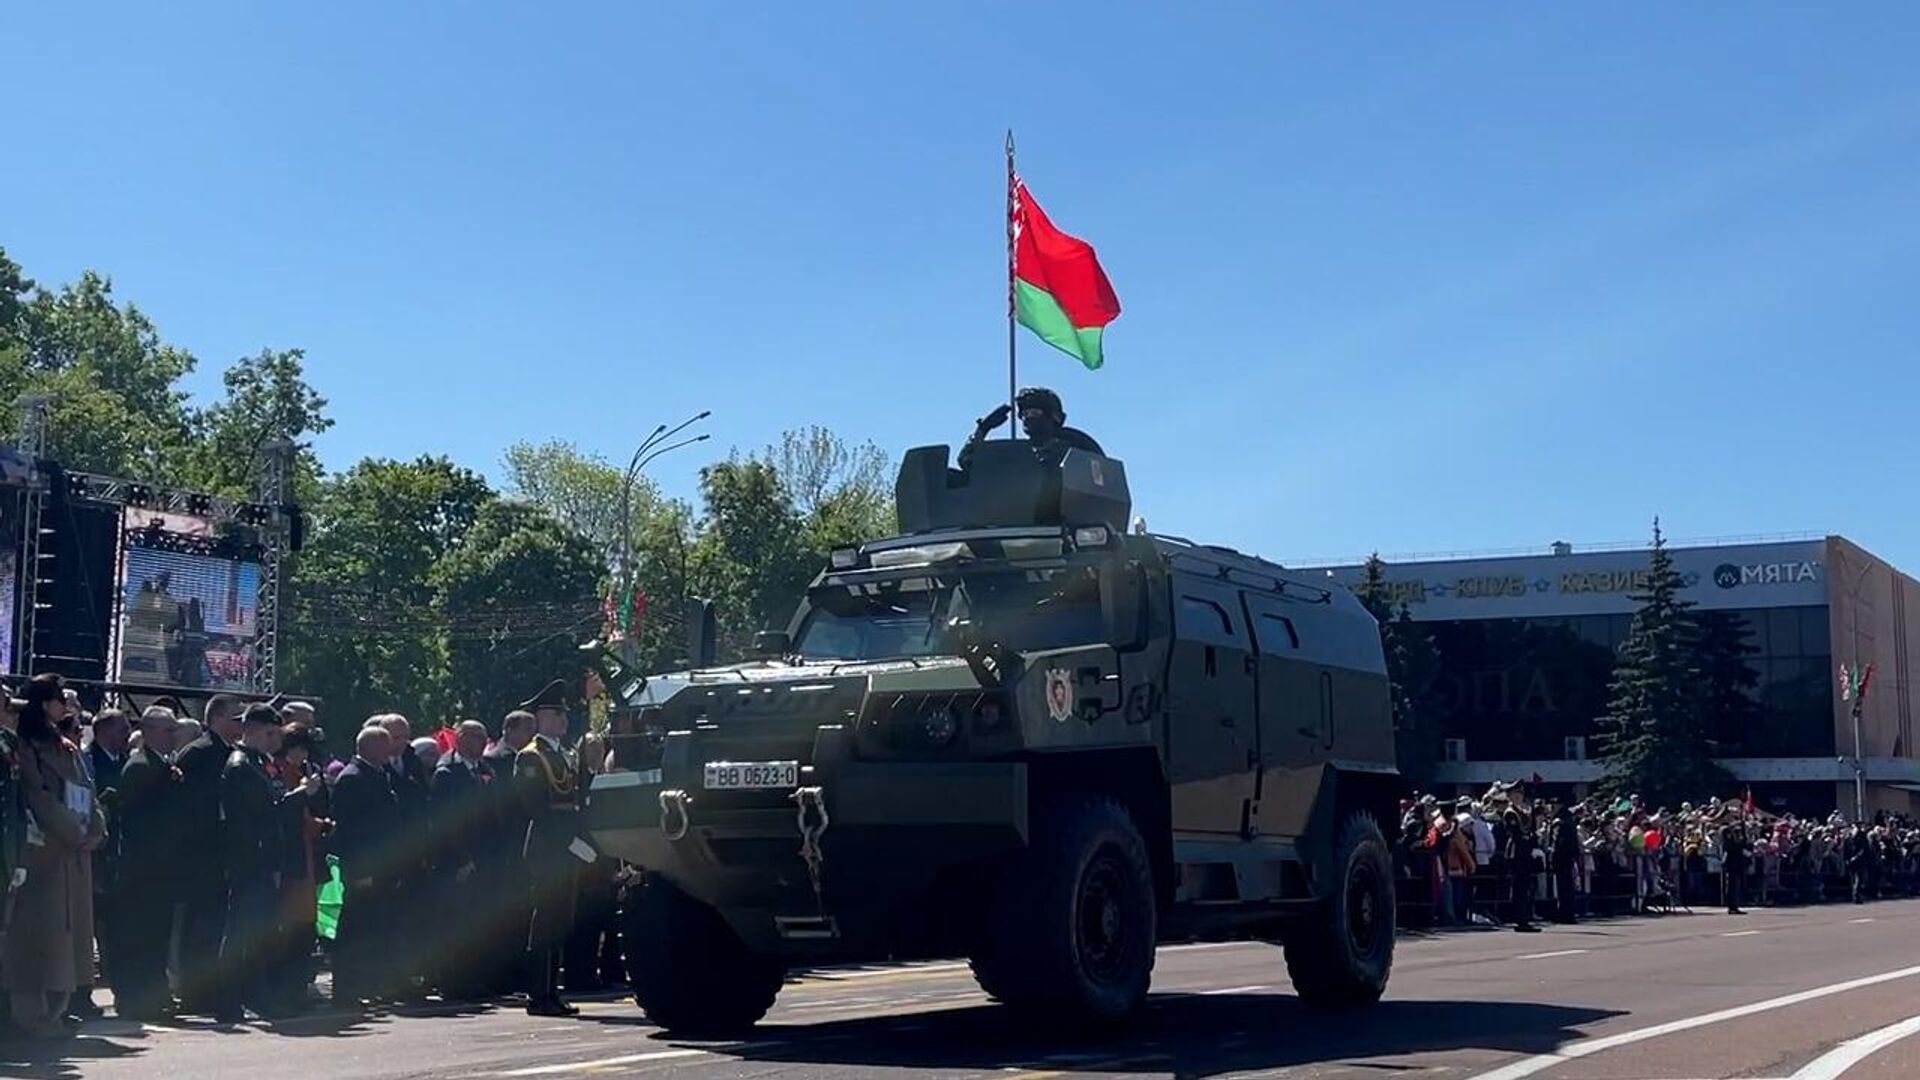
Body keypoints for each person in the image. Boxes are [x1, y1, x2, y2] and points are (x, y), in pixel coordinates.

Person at [2, 675, 106, 1038]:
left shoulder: (66, 745)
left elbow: (86, 791)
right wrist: (71, 831)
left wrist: (95, 828)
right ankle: (33, 1014)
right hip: (46, 851)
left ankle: (60, 1009)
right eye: (60, 699)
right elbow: (37, 794)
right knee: (40, 936)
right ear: (45, 703)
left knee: (72, 934)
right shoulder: (26, 745)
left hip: (75, 854)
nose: (66, 706)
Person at [215, 704, 322, 1022]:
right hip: (250, 860)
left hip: (263, 858)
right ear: (251, 730)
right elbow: (263, 813)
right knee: (243, 933)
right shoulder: (241, 765)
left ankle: (247, 995)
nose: (274, 739)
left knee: (256, 933)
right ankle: (233, 998)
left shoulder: (259, 763)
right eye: (269, 733)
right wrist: (301, 793)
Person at [111, 705, 184, 1020]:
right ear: (149, 730)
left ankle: (154, 995)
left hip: (161, 868)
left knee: (157, 937)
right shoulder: (140, 766)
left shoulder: (160, 764)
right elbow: (140, 821)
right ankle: (138, 999)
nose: (173, 737)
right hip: (145, 869)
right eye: (168, 730)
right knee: (143, 937)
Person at [173, 693, 244, 1013]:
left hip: (221, 851)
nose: (240, 725)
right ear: (216, 719)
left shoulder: (229, 753)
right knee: (200, 927)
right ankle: (194, 992)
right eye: (235, 719)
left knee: (215, 926)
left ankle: (209, 988)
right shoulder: (199, 753)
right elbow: (189, 808)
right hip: (200, 854)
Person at [515, 681, 582, 1017]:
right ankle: (538, 994)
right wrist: (568, 840)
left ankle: (552, 992)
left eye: (564, 713)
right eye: (557, 713)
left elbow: (574, 802)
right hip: (546, 846)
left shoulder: (563, 754)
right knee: (546, 920)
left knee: (560, 920)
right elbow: (536, 808)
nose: (563, 719)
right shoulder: (531, 757)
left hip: (566, 846)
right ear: (541, 717)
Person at [330, 725, 399, 1008]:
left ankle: (365, 984)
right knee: (354, 928)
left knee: (372, 927)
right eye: (385, 745)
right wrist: (360, 870)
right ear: (369, 747)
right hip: (362, 865)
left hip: (380, 862)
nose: (390, 751)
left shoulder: (377, 774)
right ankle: (346, 989)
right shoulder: (353, 778)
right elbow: (351, 831)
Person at [428, 720, 495, 1000]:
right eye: (477, 737)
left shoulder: (481, 769)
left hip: (481, 858)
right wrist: (461, 859)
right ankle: (454, 981)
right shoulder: (448, 772)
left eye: (484, 737)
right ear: (462, 738)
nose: (482, 743)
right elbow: (444, 823)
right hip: (458, 860)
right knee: (456, 924)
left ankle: (473, 978)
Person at [483, 709, 536, 995]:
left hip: (523, 843)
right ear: (509, 729)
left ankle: (519, 971)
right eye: (527, 729)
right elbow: (499, 809)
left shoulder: (528, 756)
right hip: (507, 844)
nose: (531, 735)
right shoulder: (496, 760)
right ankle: (505, 974)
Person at [957, 386, 1104, 472]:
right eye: (1025, 413)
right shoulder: (1019, 452)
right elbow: (966, 462)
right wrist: (983, 429)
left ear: (1053, 417)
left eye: (1035, 413)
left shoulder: (1075, 446)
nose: (1028, 418)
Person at [1502, 806, 1540, 932]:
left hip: (1524, 853)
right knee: (1519, 888)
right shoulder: (1511, 813)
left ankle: (1523, 917)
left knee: (1525, 887)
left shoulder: (1522, 812)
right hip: (1517, 853)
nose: (1519, 797)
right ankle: (1520, 919)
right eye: (1515, 793)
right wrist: (1528, 839)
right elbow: (1515, 833)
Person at [1721, 806, 1751, 915]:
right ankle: (1731, 906)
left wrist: (1742, 828)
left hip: (1736, 860)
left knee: (1735, 884)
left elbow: (1742, 842)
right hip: (1730, 860)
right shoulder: (1725, 830)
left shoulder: (1735, 830)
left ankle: (1735, 905)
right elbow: (1731, 845)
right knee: (1731, 884)